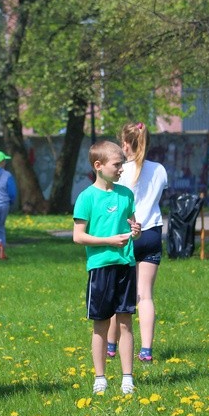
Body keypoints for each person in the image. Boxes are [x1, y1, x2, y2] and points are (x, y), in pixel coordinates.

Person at [72, 140, 141, 395]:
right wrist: (108, 241)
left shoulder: (126, 194)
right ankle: (100, 378)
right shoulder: (86, 197)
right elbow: (78, 236)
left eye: (122, 164)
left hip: (126, 265)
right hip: (100, 268)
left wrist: (136, 230)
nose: (121, 169)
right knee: (101, 324)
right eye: (117, 164)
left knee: (125, 323)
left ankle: (127, 378)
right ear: (98, 166)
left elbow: (133, 226)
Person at [106, 122, 168, 363]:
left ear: (124, 145)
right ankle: (146, 350)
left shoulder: (119, 172)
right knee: (145, 295)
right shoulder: (160, 169)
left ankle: (111, 346)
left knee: (117, 294)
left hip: (126, 235)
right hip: (152, 233)